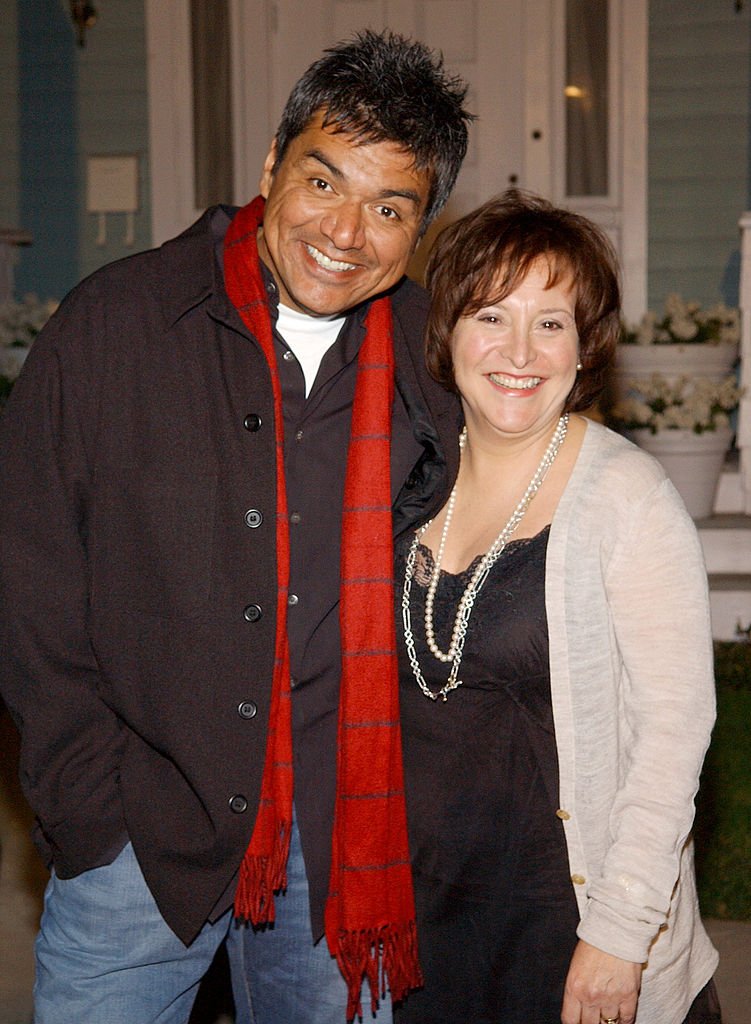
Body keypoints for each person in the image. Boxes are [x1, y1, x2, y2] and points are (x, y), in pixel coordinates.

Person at [0, 30, 472, 1024]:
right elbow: (29, 576)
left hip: (345, 841)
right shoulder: (116, 326)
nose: (346, 231)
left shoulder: (435, 363)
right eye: (324, 182)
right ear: (270, 165)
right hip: (141, 829)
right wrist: (90, 806)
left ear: (420, 225)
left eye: (389, 208)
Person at [394, 191, 721, 1024]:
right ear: (447, 336)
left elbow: (673, 735)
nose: (518, 350)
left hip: (563, 919)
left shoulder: (627, 498)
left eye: (550, 323)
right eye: (490, 315)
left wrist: (617, 935)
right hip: (420, 915)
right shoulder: (406, 479)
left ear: (583, 349)